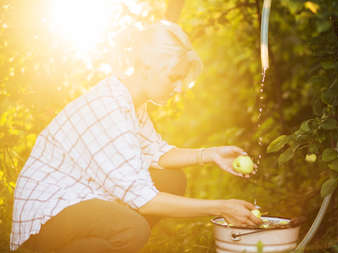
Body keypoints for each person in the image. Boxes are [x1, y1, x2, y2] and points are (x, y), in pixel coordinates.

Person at [10, 20, 262, 253]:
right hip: (47, 216)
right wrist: (221, 207)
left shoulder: (131, 102)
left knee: (170, 180)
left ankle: (99, 247)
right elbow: (144, 200)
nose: (179, 88)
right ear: (146, 67)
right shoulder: (109, 106)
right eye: (174, 78)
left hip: (79, 199)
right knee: (132, 228)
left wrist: (211, 154)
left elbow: (156, 153)